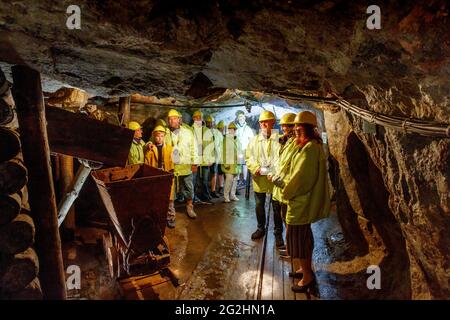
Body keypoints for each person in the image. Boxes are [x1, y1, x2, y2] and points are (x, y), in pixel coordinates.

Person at [280, 111, 330, 293]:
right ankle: (304, 269)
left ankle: (308, 277)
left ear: (308, 128)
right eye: (294, 126)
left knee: (299, 239)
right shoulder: (309, 145)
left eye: (299, 127)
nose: (295, 129)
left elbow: (301, 179)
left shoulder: (309, 148)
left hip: (300, 202)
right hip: (302, 201)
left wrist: (286, 190)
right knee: (302, 238)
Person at [245, 110, 280, 240]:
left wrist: (273, 171)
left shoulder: (279, 140)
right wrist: (256, 168)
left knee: (277, 207)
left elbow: (281, 159)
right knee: (259, 205)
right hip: (259, 178)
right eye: (262, 122)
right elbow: (249, 157)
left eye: (267, 121)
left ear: (273, 122)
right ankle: (261, 228)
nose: (264, 124)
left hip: (274, 178)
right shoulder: (254, 141)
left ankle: (278, 233)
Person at [267, 113, 297, 248]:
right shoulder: (286, 141)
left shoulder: (297, 143)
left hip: (286, 186)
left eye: (287, 125)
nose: (284, 128)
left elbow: (292, 169)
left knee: (290, 221)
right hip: (278, 187)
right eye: (283, 126)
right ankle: (289, 247)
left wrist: (277, 179)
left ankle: (292, 249)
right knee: (282, 217)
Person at [166, 109, 198, 219]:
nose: (171, 121)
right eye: (169, 119)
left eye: (174, 118)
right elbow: (154, 142)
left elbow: (194, 148)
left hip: (185, 165)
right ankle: (171, 212)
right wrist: (150, 143)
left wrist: (194, 163)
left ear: (179, 120)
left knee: (189, 187)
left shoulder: (188, 132)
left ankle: (189, 207)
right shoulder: (165, 133)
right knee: (171, 190)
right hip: (171, 167)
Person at [145, 125, 176, 228]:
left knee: (169, 199)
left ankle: (171, 218)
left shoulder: (170, 148)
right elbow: (147, 164)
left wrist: (171, 173)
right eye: (158, 136)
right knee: (157, 199)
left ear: (164, 136)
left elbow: (174, 162)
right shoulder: (150, 149)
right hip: (156, 176)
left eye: (162, 136)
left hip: (166, 175)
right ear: (154, 136)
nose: (159, 138)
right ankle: (158, 219)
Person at [192, 110, 215, 202]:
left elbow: (211, 145)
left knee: (205, 180)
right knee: (194, 180)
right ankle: (193, 197)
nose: (198, 119)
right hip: (195, 160)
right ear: (193, 119)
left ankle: (205, 195)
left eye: (200, 117)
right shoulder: (190, 130)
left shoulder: (207, 130)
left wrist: (212, 159)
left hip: (205, 160)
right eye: (196, 117)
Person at [221, 122, 241, 202]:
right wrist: (225, 164)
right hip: (229, 163)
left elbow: (239, 150)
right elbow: (223, 152)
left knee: (235, 180)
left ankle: (232, 195)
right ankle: (226, 196)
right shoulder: (226, 139)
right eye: (231, 129)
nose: (232, 130)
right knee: (229, 180)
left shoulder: (237, 138)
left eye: (234, 129)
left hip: (237, 163)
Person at [235, 110, 254, 187]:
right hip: (238, 149)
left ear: (245, 118)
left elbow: (252, 139)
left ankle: (245, 180)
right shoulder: (236, 128)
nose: (241, 119)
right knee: (238, 165)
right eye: (240, 118)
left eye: (242, 118)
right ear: (238, 119)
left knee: (245, 165)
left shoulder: (248, 128)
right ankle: (238, 179)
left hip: (245, 149)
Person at [206, 115, 223, 199]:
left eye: (211, 122)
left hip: (215, 157)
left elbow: (221, 145)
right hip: (206, 157)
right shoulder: (204, 131)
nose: (210, 124)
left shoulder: (218, 133)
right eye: (208, 122)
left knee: (214, 173)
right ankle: (206, 191)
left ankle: (212, 190)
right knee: (205, 175)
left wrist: (220, 157)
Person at [216, 120, 226, 195]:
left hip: (222, 157)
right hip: (220, 157)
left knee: (221, 173)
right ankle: (221, 187)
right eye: (222, 128)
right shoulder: (218, 134)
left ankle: (221, 187)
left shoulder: (221, 134)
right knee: (221, 173)